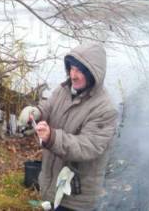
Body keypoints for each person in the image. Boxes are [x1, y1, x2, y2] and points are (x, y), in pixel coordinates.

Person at [19, 43, 117, 211]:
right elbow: (48, 108)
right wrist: (35, 113)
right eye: (71, 68)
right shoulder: (63, 90)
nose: (73, 75)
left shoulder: (104, 108)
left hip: (75, 197)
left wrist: (52, 137)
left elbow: (88, 147)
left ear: (94, 74)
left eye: (80, 71)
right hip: (51, 185)